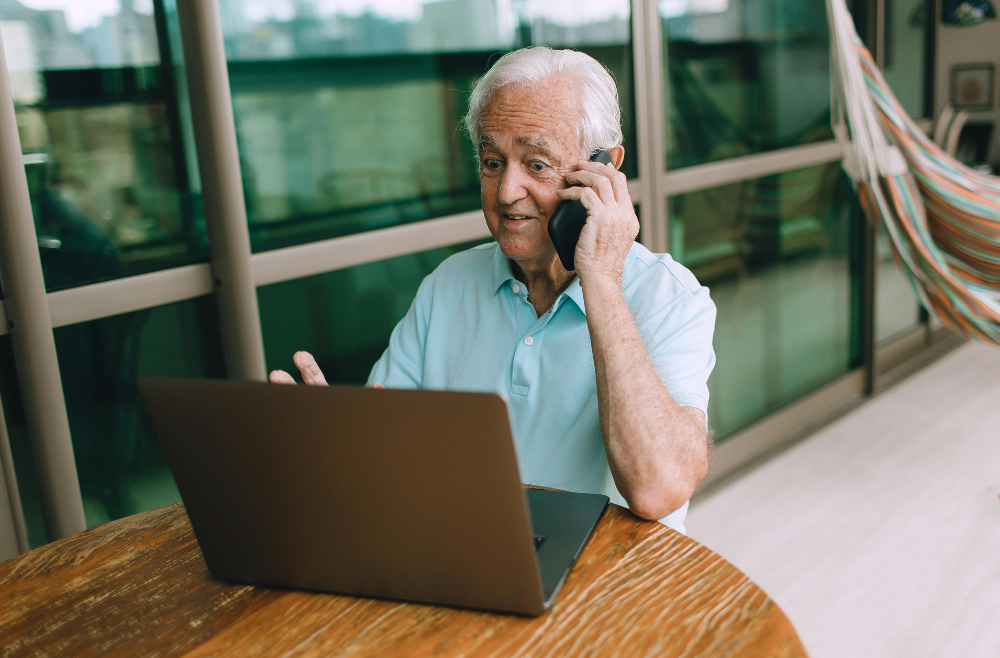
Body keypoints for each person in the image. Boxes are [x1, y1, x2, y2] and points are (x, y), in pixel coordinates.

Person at [270, 47, 716, 531]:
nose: (506, 193)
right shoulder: (448, 285)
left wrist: (601, 278)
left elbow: (658, 487)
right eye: (492, 162)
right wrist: (336, 442)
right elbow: (388, 446)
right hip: (467, 552)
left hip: (602, 584)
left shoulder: (672, 299)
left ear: (605, 169)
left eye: (537, 164)